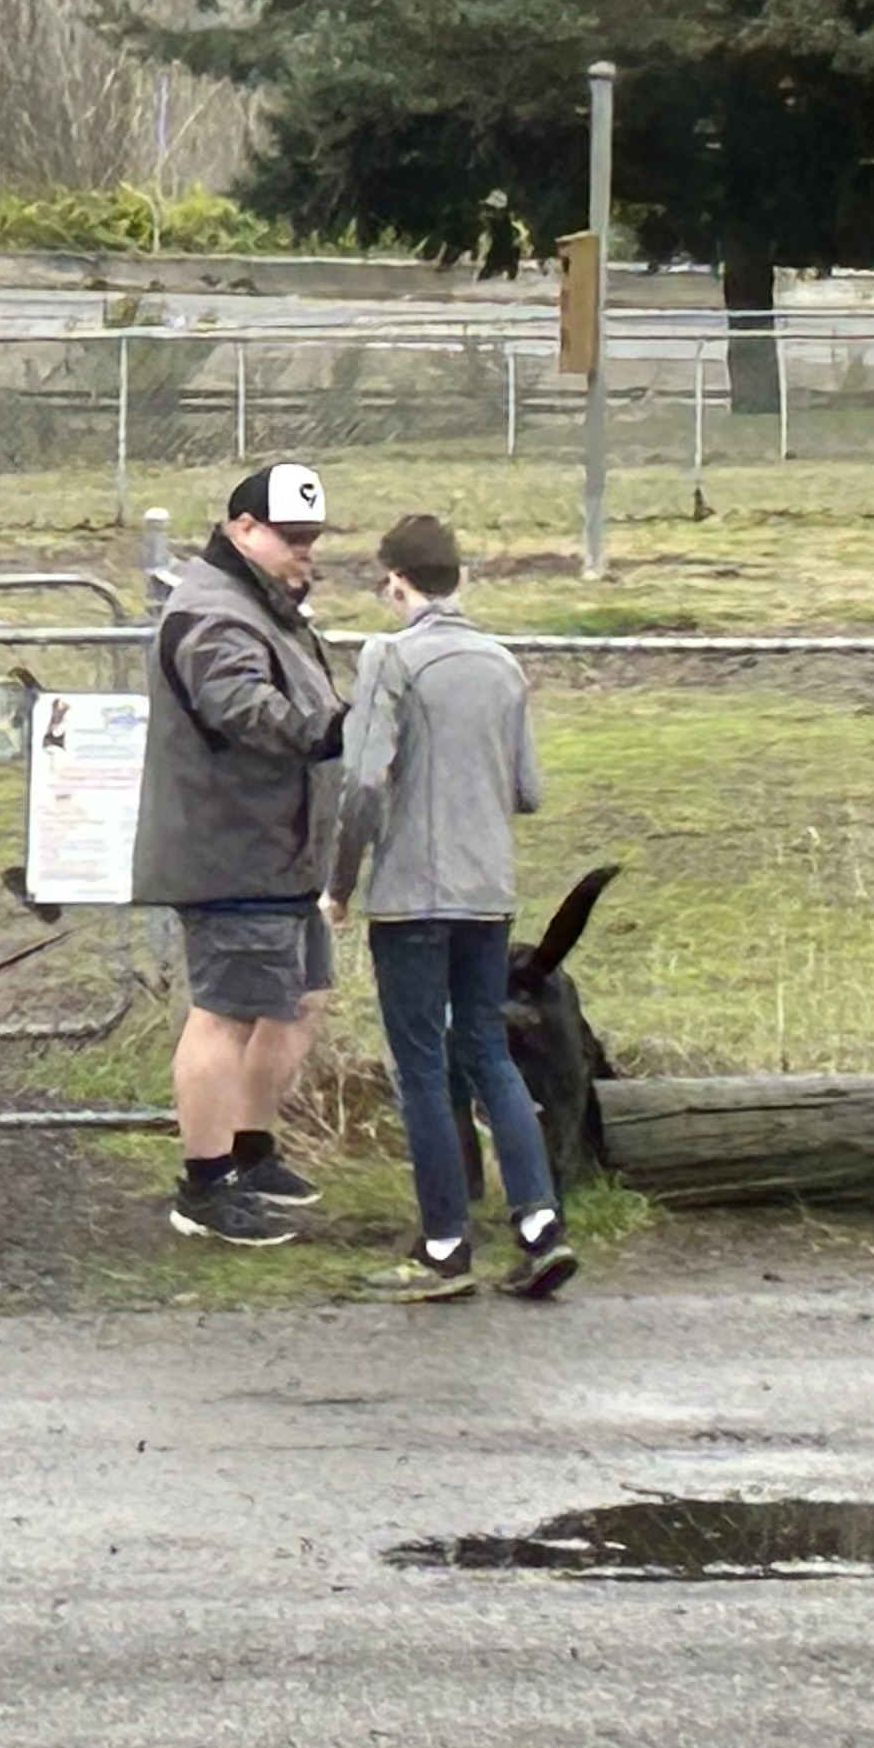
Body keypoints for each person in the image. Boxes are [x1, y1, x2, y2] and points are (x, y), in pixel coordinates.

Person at [324, 512, 578, 1303]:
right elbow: (526, 789)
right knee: (487, 1052)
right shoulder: (503, 665)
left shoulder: (389, 658)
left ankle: (443, 1245)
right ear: (460, 579)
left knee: (423, 1069)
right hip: (487, 891)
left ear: (394, 580)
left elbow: (363, 781)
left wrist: (339, 883)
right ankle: (540, 1228)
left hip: (412, 897)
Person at [133, 460, 346, 1248]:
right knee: (224, 1014)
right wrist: (334, 732)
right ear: (242, 530)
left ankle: (251, 1152)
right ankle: (205, 1184)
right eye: (291, 539)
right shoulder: (214, 615)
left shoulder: (267, 604)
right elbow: (242, 707)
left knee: (299, 1001)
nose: (305, 554)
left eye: (312, 540)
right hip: (232, 849)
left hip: (282, 850)